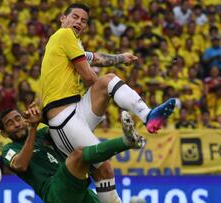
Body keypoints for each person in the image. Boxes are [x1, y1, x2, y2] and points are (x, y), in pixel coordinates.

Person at [40, 3, 176, 202]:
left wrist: (122, 58)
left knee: (107, 81)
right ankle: (146, 115)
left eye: (83, 21)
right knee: (103, 167)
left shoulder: (72, 44)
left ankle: (148, 116)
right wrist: (102, 100)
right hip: (62, 119)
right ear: (63, 19)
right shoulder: (64, 35)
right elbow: (88, 76)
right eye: (75, 17)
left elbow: (96, 58)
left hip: (75, 112)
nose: (78, 22)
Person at [0, 103, 145, 203]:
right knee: (78, 155)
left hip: (76, 187)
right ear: (4, 133)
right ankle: (126, 142)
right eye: (10, 123)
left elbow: (64, 129)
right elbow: (21, 165)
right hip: (54, 192)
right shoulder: (9, 149)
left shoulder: (42, 133)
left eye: (18, 119)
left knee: (101, 164)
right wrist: (33, 129)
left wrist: (40, 117)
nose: (16, 124)